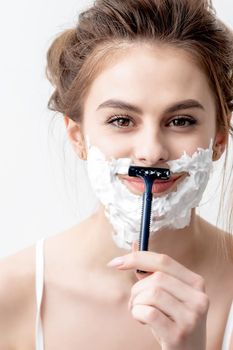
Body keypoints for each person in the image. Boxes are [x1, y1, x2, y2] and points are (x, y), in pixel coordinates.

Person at [0, 0, 233, 349]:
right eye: (122, 121)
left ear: (217, 139)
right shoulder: (9, 296)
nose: (151, 151)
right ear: (78, 137)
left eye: (181, 121)